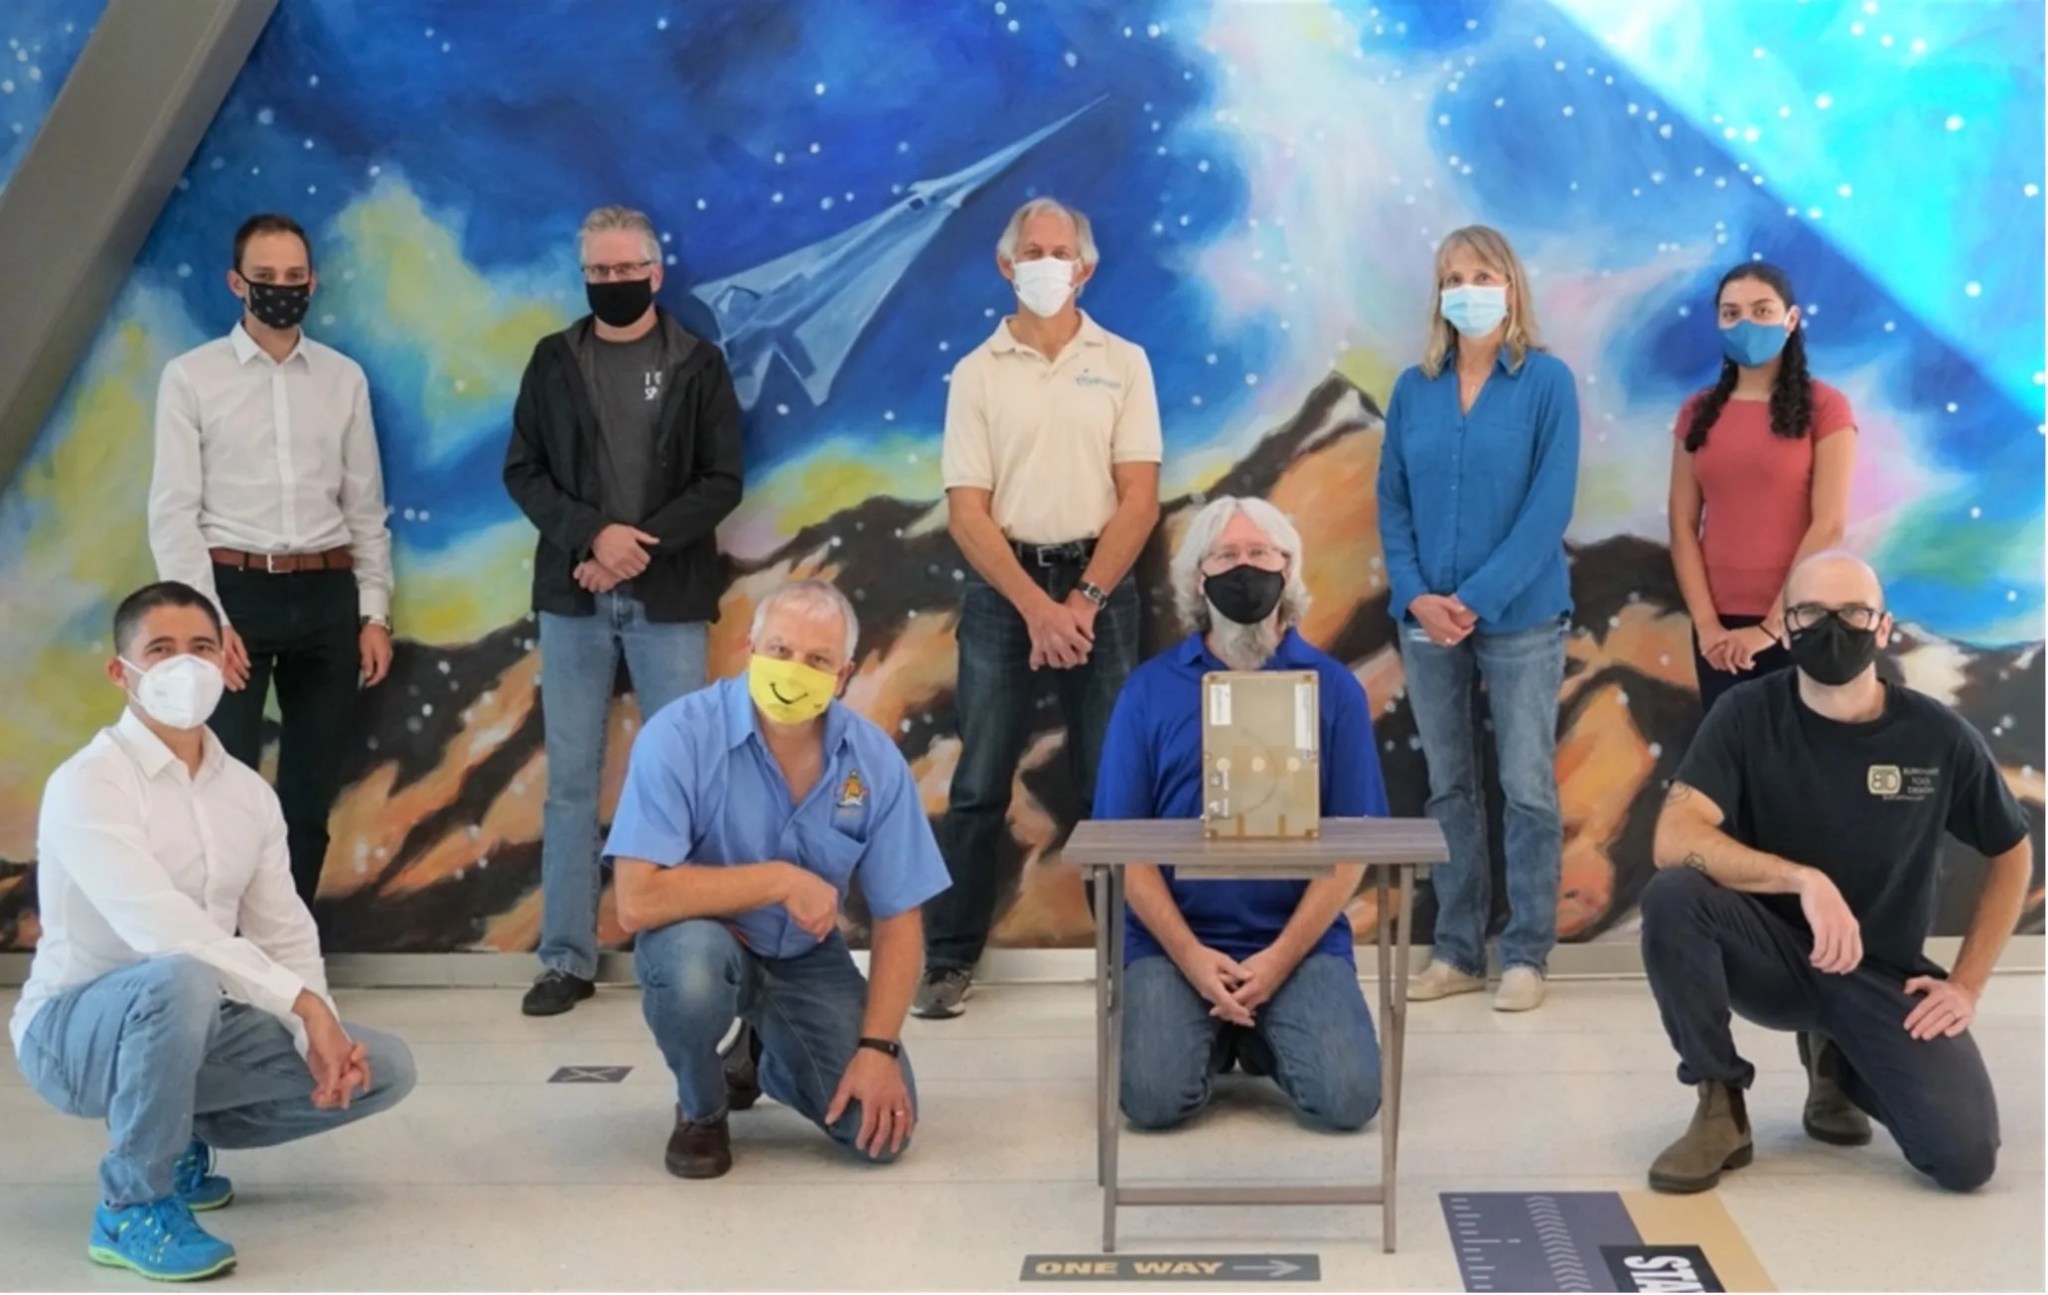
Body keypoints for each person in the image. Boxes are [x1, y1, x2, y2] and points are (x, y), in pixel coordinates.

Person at [12, 582, 415, 1281]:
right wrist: (300, 1004)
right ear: (121, 671)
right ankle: (132, 1202)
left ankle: (176, 1137)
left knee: (382, 1067)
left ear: (228, 659)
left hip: (189, 1019)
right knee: (181, 972)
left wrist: (317, 1029)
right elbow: (156, 925)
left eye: (201, 647)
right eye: (160, 650)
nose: (184, 666)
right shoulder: (90, 782)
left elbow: (284, 931)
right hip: (71, 1034)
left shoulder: (247, 795)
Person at [1642, 552, 2030, 1194]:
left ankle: (1839, 1062)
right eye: (1812, 613)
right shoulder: (1745, 714)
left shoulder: (1937, 736)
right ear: (1786, 627)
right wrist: (1803, 881)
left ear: (1882, 627)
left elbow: (2012, 851)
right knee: (1676, 895)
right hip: (1773, 959)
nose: (1834, 628)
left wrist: (1965, 986)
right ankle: (1719, 1102)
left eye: (1853, 612)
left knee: (1963, 1159)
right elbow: (1673, 838)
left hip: (1881, 976)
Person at [606, 580, 950, 1178]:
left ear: (842, 675)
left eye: (818, 660)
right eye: (781, 651)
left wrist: (877, 1049)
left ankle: (763, 1055)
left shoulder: (873, 762)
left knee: (878, 1137)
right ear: (750, 647)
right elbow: (635, 902)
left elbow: (901, 915)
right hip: (707, 943)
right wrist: (778, 881)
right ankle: (702, 1107)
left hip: (805, 957)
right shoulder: (679, 736)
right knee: (689, 969)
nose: (795, 671)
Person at [920, 197, 1162, 1019]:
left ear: (1086, 267)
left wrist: (1083, 599)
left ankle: (1133, 962)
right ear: (1006, 265)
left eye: (1062, 250)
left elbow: (1139, 499)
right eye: (1033, 250)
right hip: (1003, 592)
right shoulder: (975, 372)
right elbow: (966, 510)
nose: (1047, 264)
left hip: (1102, 588)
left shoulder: (1125, 361)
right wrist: (1037, 608)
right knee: (982, 780)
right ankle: (949, 961)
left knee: (1112, 783)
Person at [503, 205, 745, 1017]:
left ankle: (677, 946)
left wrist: (638, 545)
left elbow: (721, 481)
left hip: (668, 596)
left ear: (655, 271)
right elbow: (525, 471)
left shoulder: (699, 363)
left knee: (681, 778)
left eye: (624, 269)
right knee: (570, 782)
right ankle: (567, 956)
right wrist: (593, 536)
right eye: (598, 273)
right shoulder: (551, 360)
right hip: (573, 596)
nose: (612, 283)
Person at [1096, 497, 1388, 1131]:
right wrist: (1195, 961)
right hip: (1172, 945)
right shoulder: (1147, 691)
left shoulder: (1333, 687)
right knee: (1150, 1102)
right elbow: (1127, 854)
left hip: (1295, 943)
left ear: (1289, 569)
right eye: (1225, 556)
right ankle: (1219, 1026)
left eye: (1260, 554)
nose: (1244, 567)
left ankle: (1254, 1032)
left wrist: (1279, 960)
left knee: (1348, 1099)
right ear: (1198, 578)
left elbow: (1351, 851)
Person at [147, 213, 397, 915]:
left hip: (326, 597)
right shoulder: (191, 378)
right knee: (221, 783)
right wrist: (204, 623)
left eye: (295, 278)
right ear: (237, 283)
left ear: (313, 282)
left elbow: (365, 506)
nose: (282, 290)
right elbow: (172, 512)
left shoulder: (343, 379)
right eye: (266, 279)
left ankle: (286, 949)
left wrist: (373, 611)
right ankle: (219, 951)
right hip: (231, 596)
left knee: (310, 791)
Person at [1376, 225, 1582, 1012]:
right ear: (1438, 293)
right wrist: (1417, 592)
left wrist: (1479, 597)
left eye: (1483, 272)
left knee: (1526, 784)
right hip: (1426, 616)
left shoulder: (1547, 383)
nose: (1468, 286)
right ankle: (1457, 949)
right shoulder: (1412, 389)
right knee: (1449, 784)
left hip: (1523, 615)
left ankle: (1526, 952)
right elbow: (1392, 499)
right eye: (1453, 275)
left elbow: (1548, 507)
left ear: (1511, 285)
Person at [1669, 263, 1856, 713]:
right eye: (1732, 313)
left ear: (1790, 320)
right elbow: (1681, 525)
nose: (1746, 323)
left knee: (1798, 764)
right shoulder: (1696, 412)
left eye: (1762, 310)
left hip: (1803, 620)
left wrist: (1772, 628)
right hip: (1718, 634)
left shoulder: (1826, 407)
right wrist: (1709, 627)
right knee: (1732, 766)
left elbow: (1828, 524)